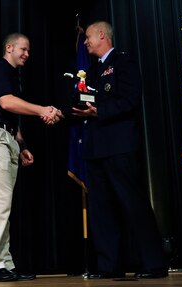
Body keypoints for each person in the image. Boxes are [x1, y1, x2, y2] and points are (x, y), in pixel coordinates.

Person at [71, 21, 169, 279]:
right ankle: (109, 266)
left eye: (89, 37)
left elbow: (130, 99)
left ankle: (153, 264)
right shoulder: (91, 72)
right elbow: (86, 103)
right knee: (102, 210)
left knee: (132, 204)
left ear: (102, 35)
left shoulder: (124, 63)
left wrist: (99, 111)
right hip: (95, 149)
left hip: (119, 147)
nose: (85, 42)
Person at [0, 32, 63, 282]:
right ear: (9, 47)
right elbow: (7, 103)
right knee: (0, 203)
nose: (27, 54)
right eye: (23, 49)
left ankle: (4, 263)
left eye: (29, 50)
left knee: (2, 204)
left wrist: (21, 144)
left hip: (6, 137)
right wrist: (43, 110)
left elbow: (10, 117)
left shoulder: (12, 75)